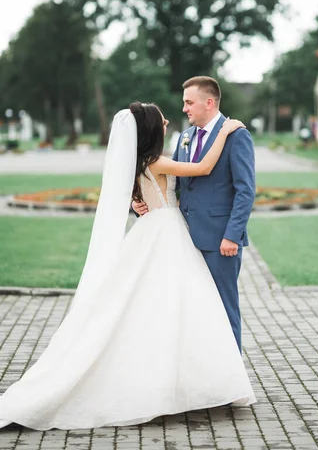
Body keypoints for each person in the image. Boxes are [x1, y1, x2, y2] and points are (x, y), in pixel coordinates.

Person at [0, 102, 256, 431]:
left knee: (162, 307)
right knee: (181, 305)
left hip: (153, 231)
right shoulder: (159, 162)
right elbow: (205, 167)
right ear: (151, 129)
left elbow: (149, 197)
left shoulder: (141, 164)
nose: (167, 121)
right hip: (167, 233)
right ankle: (188, 383)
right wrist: (225, 131)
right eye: (161, 119)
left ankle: (185, 382)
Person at [134, 76, 256, 352]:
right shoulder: (186, 137)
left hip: (219, 241)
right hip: (183, 239)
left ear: (209, 103)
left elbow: (245, 191)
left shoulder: (236, 135)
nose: (184, 108)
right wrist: (143, 203)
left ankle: (230, 379)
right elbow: (175, 186)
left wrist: (232, 236)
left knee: (224, 308)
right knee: (195, 312)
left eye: (189, 102)